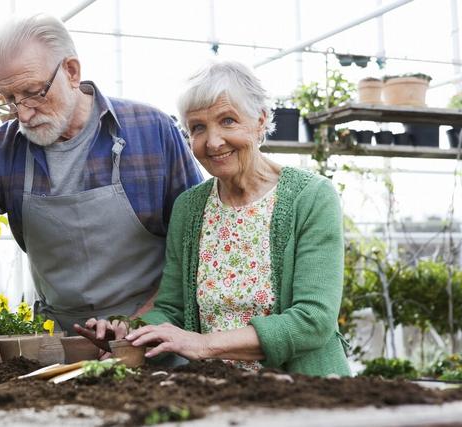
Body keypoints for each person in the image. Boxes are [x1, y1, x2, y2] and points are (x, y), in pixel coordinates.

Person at [0, 14, 202, 362]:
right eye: (8, 98)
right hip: (59, 350)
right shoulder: (2, 153)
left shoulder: (150, 131)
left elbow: (197, 244)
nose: (22, 114)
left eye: (34, 93)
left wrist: (143, 322)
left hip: (156, 341)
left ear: (72, 72)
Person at [77, 60, 351, 377]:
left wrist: (202, 345)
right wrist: (130, 332)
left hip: (305, 393)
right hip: (216, 392)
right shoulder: (190, 207)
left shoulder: (311, 197)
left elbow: (312, 320)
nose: (213, 141)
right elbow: (171, 309)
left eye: (228, 121)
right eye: (198, 128)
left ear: (260, 120)